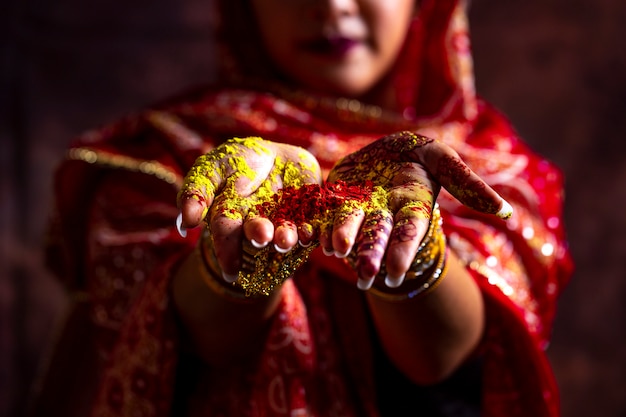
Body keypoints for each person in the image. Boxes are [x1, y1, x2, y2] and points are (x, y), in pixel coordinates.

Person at [31, 0, 573, 416]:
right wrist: (237, 260)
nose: (331, 3)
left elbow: (445, 359)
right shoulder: (162, 156)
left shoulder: (493, 168)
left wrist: (405, 250)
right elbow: (169, 343)